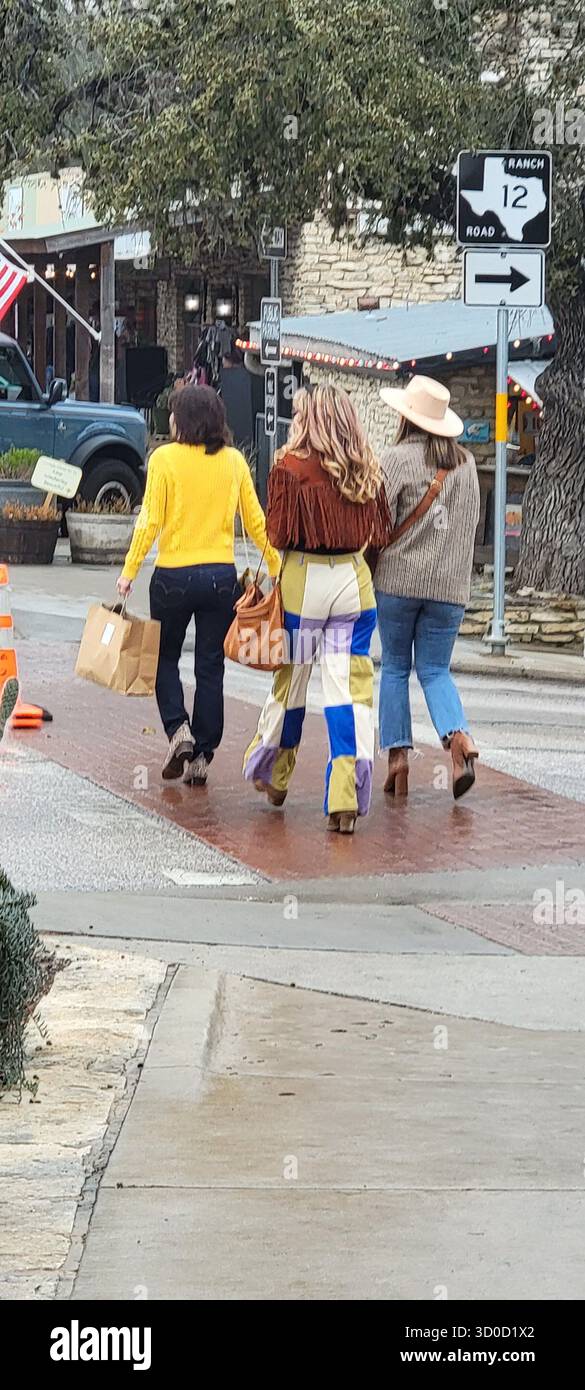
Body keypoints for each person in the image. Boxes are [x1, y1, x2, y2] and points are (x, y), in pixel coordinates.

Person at [243, 384, 391, 834]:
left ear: (307, 419)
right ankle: (345, 799)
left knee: (292, 685)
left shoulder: (289, 468)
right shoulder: (367, 469)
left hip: (304, 583)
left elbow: (280, 534)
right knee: (350, 695)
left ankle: (275, 774)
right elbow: (381, 535)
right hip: (353, 583)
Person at [117, 385, 280, 783]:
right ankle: (203, 754)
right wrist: (277, 565)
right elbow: (256, 522)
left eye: (173, 414)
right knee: (210, 666)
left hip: (172, 576)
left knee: (164, 658)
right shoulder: (235, 462)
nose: (169, 420)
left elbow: (150, 520)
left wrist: (129, 570)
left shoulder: (164, 460)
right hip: (221, 579)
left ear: (183, 420)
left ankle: (179, 730)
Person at [374, 375, 480, 800]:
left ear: (406, 416)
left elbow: (378, 522)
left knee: (396, 668)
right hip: (450, 587)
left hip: (398, 582)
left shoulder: (396, 459)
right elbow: (470, 524)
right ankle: (459, 742)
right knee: (436, 670)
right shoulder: (469, 464)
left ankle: (398, 757)